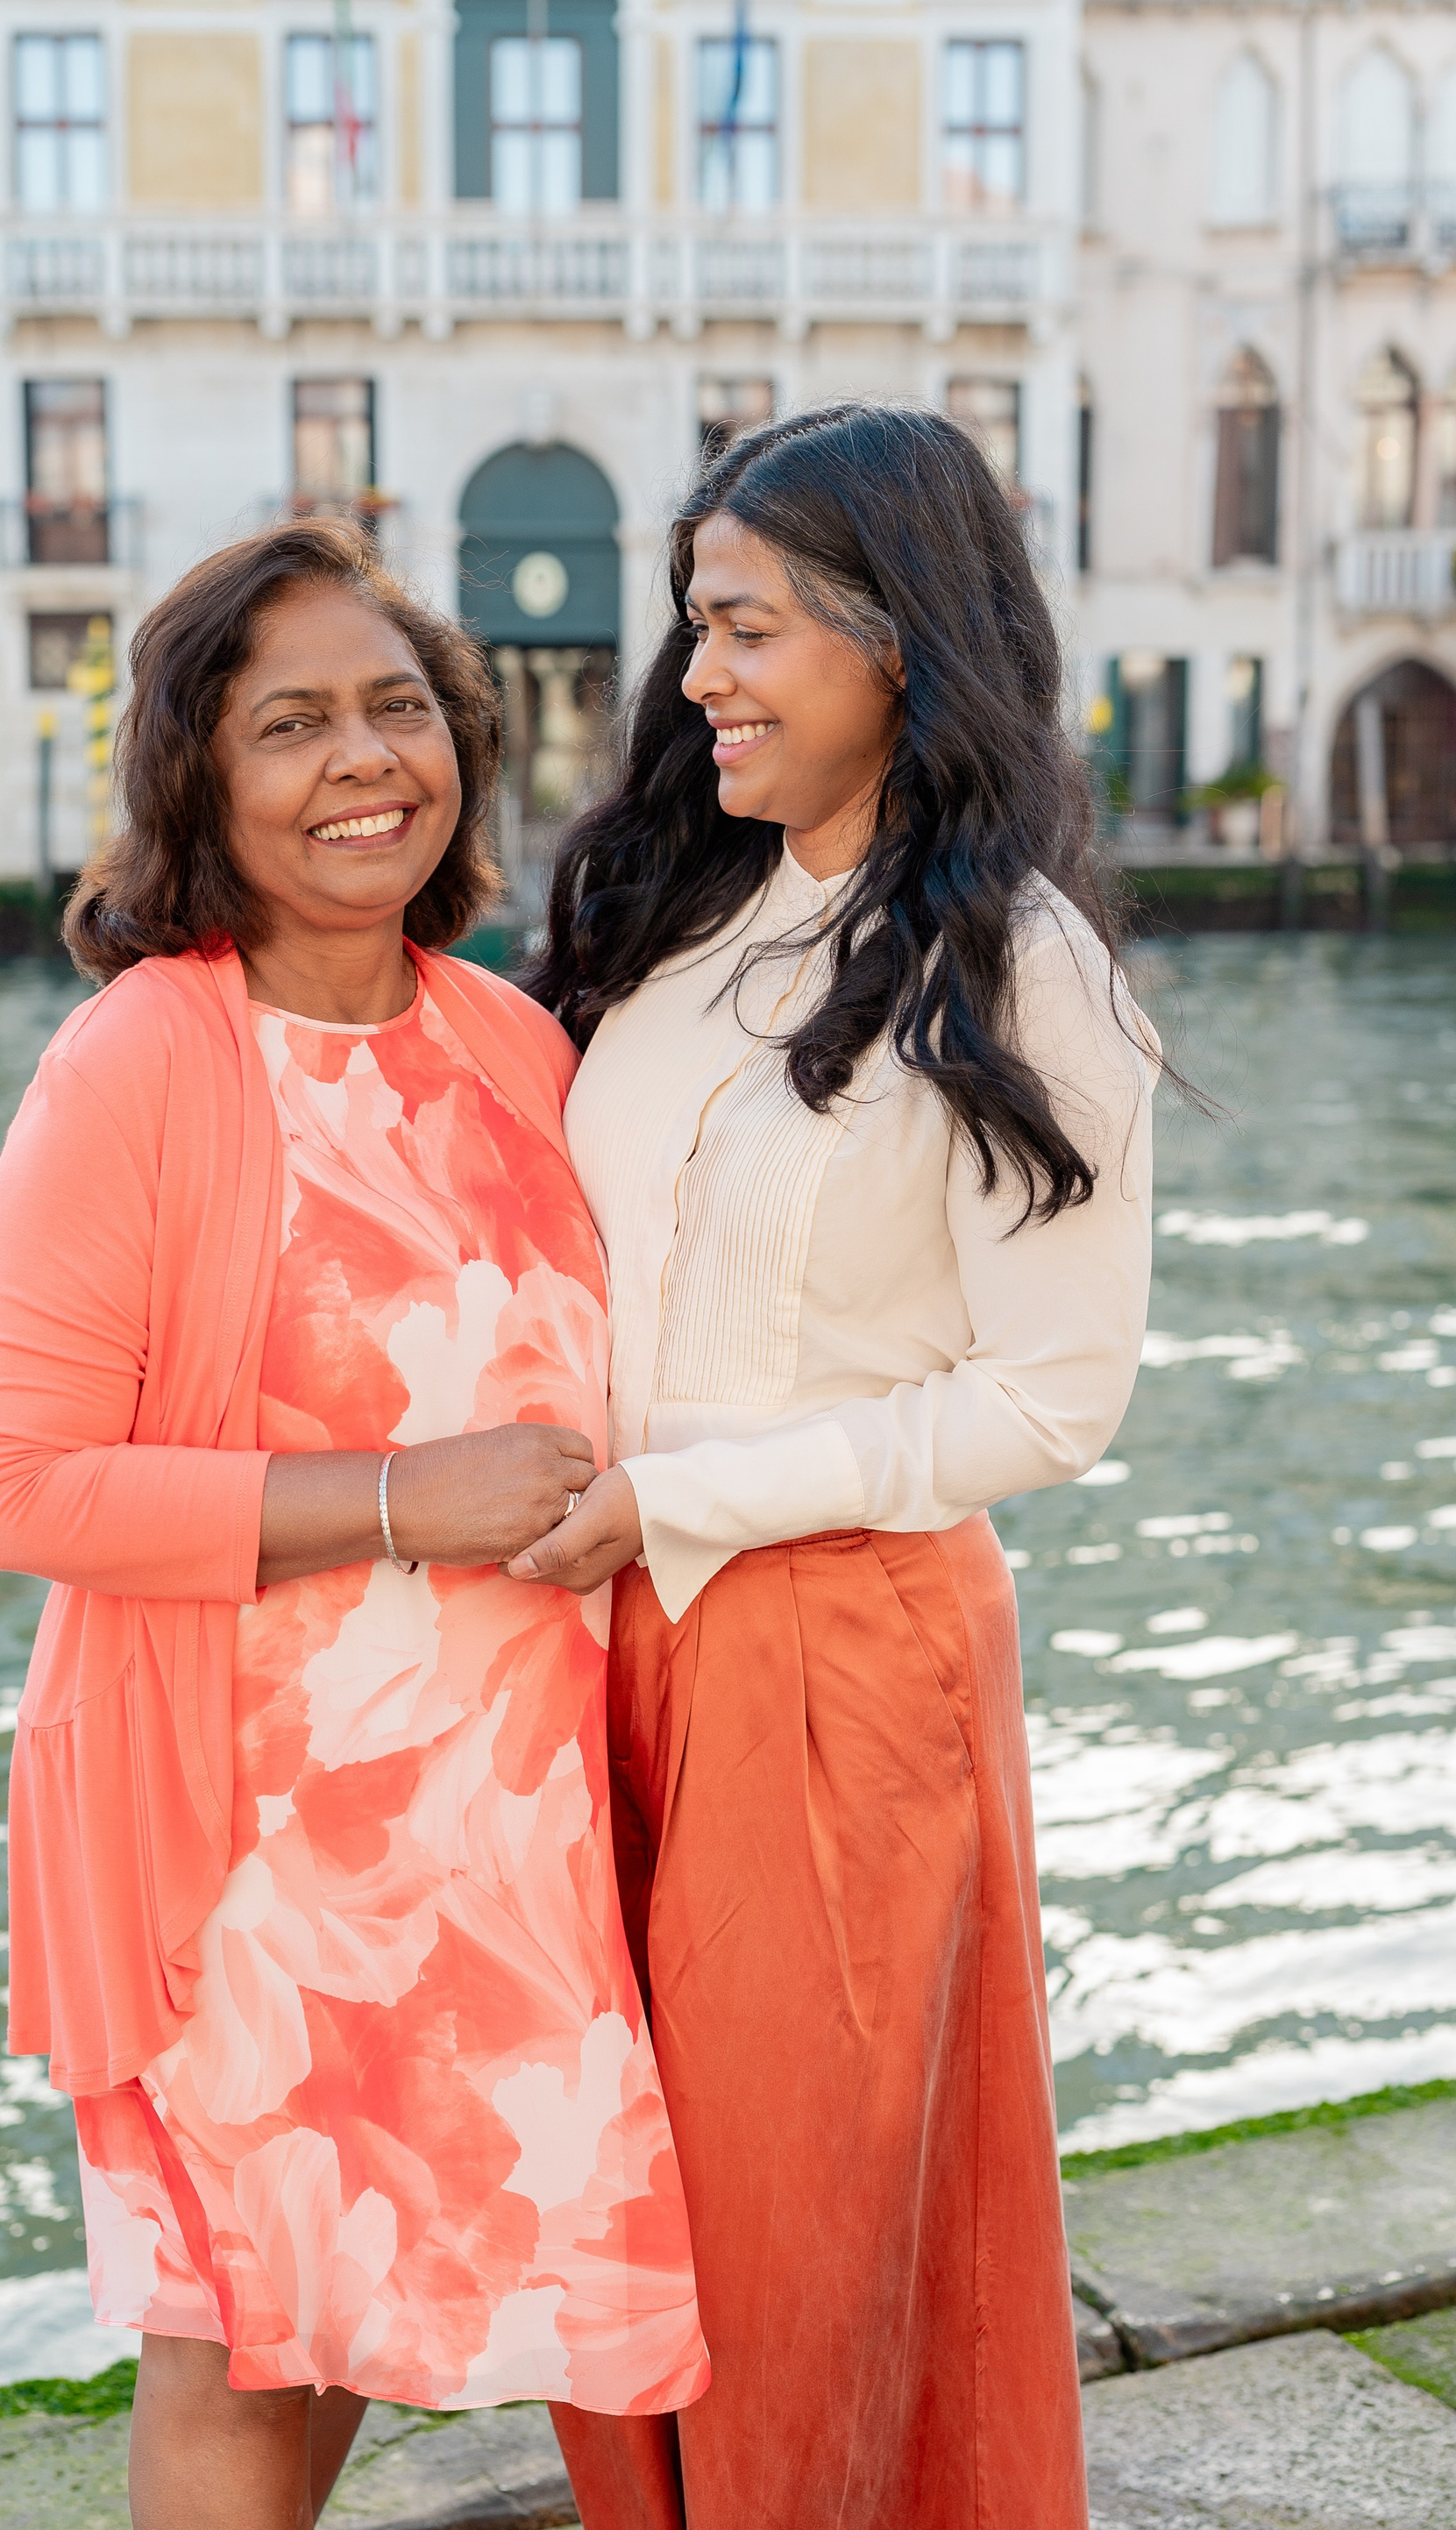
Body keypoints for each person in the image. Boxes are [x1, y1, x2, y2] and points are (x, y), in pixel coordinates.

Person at [0, 520, 708, 2530]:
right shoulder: (140, 1062)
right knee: (235, 2332)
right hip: (243, 1840)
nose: (363, 757)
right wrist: (398, 1501)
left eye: (396, 708)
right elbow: (11, 1479)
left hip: (506, 1831)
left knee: (358, 2304)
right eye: (290, 724)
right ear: (199, 782)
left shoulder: (517, 1045)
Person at [509, 403, 1160, 2529]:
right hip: (593, 1644)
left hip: (839, 1656)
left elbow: (1053, 1401)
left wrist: (682, 1496)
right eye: (695, 622)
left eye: (749, 625)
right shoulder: (673, 933)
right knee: (619, 2224)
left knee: (799, 2243)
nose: (698, 672)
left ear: (899, 638)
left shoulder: (1024, 970)